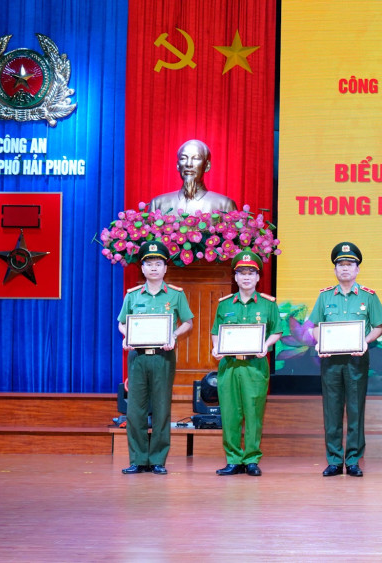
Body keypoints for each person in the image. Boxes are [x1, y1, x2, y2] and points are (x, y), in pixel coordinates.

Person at [309, 242, 382, 477]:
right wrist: (319, 343)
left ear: (357, 269)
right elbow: (315, 326)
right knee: (332, 410)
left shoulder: (368, 296)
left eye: (350, 264)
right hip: (330, 362)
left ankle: (353, 460)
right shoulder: (325, 296)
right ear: (335, 269)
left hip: (356, 360)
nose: (345, 268)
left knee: (355, 410)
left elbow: (379, 327)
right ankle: (334, 460)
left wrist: (365, 341)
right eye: (341, 264)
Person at [117, 241, 194, 475]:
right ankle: (138, 459)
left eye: (158, 264)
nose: (153, 268)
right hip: (138, 358)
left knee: (161, 409)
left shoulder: (176, 295)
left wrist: (174, 335)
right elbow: (122, 323)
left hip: (163, 357)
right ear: (142, 268)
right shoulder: (132, 296)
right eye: (149, 264)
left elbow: (188, 322)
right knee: (135, 411)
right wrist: (127, 336)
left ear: (165, 268)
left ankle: (158, 459)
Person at [210, 251, 282, 477]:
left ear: (258, 277)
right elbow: (216, 332)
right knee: (230, 413)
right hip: (229, 366)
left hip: (255, 367)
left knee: (253, 413)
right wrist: (216, 348)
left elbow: (277, 331)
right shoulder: (224, 305)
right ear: (236, 277)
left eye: (251, 273)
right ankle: (233, 459)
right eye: (242, 273)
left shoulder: (268, 304)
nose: (247, 277)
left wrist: (266, 345)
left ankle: (251, 459)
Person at [148, 139, 238, 214]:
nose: (189, 164)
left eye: (196, 158)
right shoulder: (158, 204)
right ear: (178, 165)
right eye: (183, 158)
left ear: (207, 166)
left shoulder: (224, 205)